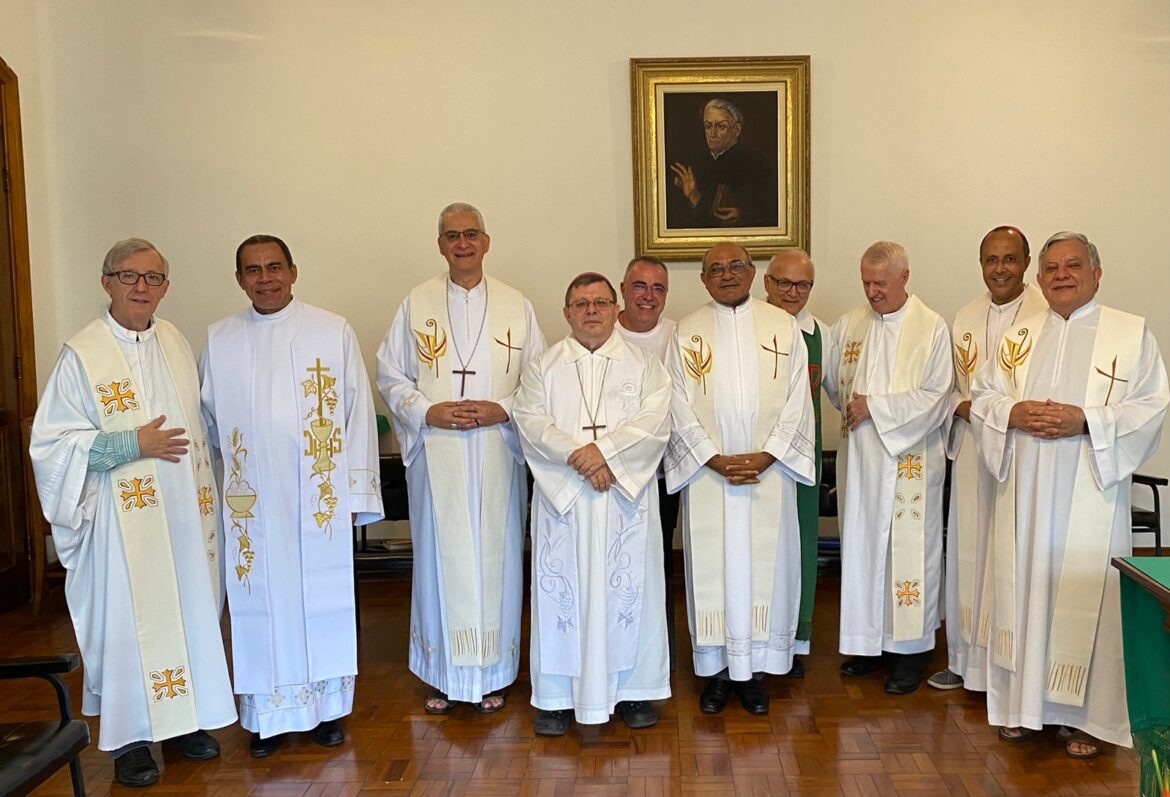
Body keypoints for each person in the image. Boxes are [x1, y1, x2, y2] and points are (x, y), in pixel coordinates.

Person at [30, 238, 236, 787]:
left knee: (190, 610)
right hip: (119, 524)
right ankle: (132, 742)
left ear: (166, 286)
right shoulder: (82, 355)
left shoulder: (173, 340)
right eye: (129, 277)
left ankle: (185, 722)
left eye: (153, 278)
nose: (141, 287)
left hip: (183, 516)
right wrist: (130, 444)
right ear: (106, 282)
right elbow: (51, 446)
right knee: (128, 624)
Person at [971, 231, 1167, 758]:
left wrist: (1088, 420)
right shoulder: (1019, 336)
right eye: (1052, 267)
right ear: (1039, 278)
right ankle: (1022, 708)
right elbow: (983, 395)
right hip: (1026, 494)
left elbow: (1152, 408)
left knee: (1088, 596)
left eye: (1073, 265)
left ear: (1096, 274)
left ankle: (1089, 721)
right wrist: (1011, 413)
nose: (1061, 275)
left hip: (1091, 493)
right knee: (1026, 586)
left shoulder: (1130, 334)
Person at [201, 234, 383, 757]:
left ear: (294, 270)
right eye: (253, 270)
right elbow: (210, 422)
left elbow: (355, 415)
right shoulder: (219, 339)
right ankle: (266, 718)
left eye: (274, 267)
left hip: (315, 500)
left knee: (319, 597)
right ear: (239, 279)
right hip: (251, 502)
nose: (265, 278)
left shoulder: (331, 330)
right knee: (260, 600)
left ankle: (328, 712)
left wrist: (352, 491)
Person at [377, 203, 545, 716]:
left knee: (494, 554)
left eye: (471, 234)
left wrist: (504, 408)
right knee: (438, 556)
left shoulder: (517, 305)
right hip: (441, 452)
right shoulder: (417, 303)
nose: (463, 243)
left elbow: (540, 382)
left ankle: (493, 671)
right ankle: (445, 673)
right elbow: (390, 374)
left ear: (487, 241)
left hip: (497, 450)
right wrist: (428, 411)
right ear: (441, 245)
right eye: (452, 235)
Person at [515, 272, 672, 736]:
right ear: (566, 312)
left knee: (630, 594)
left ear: (614, 307)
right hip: (565, 500)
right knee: (561, 594)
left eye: (600, 302)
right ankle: (558, 698)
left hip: (624, 501)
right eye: (581, 303)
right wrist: (579, 458)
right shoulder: (544, 366)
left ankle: (634, 692)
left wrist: (605, 454)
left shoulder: (645, 365)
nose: (591, 310)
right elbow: (530, 421)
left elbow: (656, 420)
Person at [664, 243, 815, 716]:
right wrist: (712, 458)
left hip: (767, 477)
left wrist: (769, 455)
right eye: (715, 269)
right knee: (715, 572)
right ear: (703, 279)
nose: (726, 275)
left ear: (753, 273)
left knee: (764, 571)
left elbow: (799, 401)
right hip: (710, 478)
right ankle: (716, 674)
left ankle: (756, 676)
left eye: (735, 266)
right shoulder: (687, 332)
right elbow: (675, 404)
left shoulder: (783, 326)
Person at [823, 241, 951, 695]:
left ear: (905, 277)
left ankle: (910, 653)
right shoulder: (850, 324)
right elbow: (836, 382)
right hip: (861, 462)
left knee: (907, 555)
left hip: (908, 463)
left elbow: (939, 396)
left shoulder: (931, 328)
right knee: (862, 549)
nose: (872, 292)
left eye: (880, 283)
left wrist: (875, 407)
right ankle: (867, 645)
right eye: (866, 282)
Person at [928, 226, 1047, 692]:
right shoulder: (965, 317)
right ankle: (965, 661)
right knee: (968, 552)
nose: (999, 268)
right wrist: (964, 408)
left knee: (1010, 556)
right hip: (976, 449)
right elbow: (950, 388)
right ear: (981, 264)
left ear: (1026, 262)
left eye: (1009, 259)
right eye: (991, 260)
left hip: (1024, 453)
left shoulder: (1046, 316)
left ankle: (1011, 670)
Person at [764, 248, 834, 678]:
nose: (792, 292)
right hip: (760, 461)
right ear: (766, 283)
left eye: (802, 284)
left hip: (803, 458)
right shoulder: (751, 327)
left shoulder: (822, 333)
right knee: (765, 550)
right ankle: (761, 638)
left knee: (802, 545)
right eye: (783, 283)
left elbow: (842, 391)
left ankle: (795, 638)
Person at [616, 256, 679, 669]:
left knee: (657, 563)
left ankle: (658, 653)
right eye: (640, 286)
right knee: (616, 564)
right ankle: (615, 646)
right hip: (610, 475)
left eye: (658, 288)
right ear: (623, 289)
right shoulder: (602, 333)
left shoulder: (681, 336)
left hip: (662, 475)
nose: (648, 296)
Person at [667, 98, 778, 229]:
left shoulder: (757, 163)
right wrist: (690, 196)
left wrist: (745, 214)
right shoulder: (696, 162)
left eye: (721, 126)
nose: (712, 134)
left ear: (736, 130)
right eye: (708, 126)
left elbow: (769, 214)